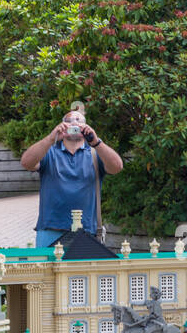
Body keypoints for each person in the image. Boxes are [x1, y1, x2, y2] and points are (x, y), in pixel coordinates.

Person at [19, 105, 123, 247]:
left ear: (86, 127)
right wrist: (51, 138)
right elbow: (26, 163)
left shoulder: (95, 154)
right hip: (51, 230)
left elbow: (117, 167)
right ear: (62, 125)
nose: (74, 124)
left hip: (86, 231)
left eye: (79, 121)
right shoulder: (50, 152)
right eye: (69, 121)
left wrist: (96, 142)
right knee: (47, 269)